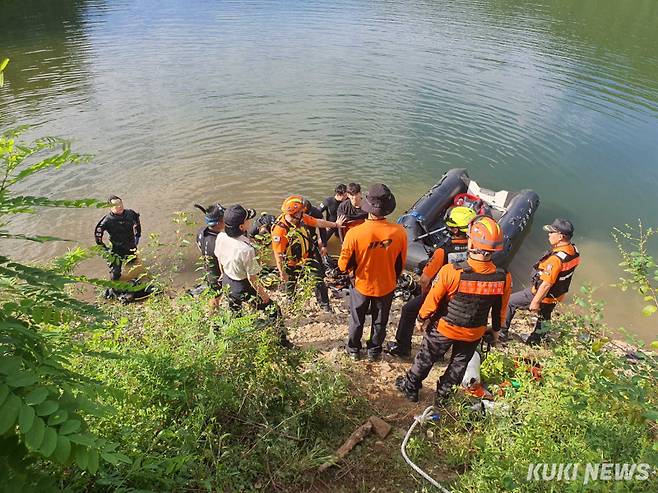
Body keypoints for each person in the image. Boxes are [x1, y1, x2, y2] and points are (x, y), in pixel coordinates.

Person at [395, 216, 512, 403]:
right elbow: (500, 308)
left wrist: (421, 318)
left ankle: (411, 387)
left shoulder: (452, 271)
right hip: (473, 333)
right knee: (459, 364)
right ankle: (443, 396)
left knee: (426, 357)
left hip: (444, 328)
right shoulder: (503, 277)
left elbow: (433, 299)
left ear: (472, 242)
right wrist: (496, 330)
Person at [385, 206, 476, 358]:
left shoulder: (442, 251)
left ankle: (403, 347)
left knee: (409, 310)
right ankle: (440, 352)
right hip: (464, 295)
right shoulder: (475, 250)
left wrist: (425, 294)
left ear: (454, 229)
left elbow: (424, 279)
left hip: (442, 293)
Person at [338, 184, 407, 361]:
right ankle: (374, 351)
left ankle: (353, 349)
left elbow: (342, 265)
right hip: (387, 285)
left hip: (361, 284)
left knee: (357, 319)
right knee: (380, 321)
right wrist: (393, 277)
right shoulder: (400, 232)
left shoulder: (354, 233)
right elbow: (401, 263)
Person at [500, 218, 580, 345]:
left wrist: (536, 302)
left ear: (560, 236)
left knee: (510, 302)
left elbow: (546, 284)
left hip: (543, 294)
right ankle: (535, 341)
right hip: (557, 295)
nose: (549, 235)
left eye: (552, 232)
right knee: (545, 315)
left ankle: (501, 333)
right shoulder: (574, 251)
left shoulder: (555, 260)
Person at [271, 195, 345, 312]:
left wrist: (335, 225)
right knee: (290, 282)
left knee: (318, 279)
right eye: (301, 212)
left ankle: (324, 304)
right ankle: (291, 300)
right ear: (294, 214)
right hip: (290, 262)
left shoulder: (301, 218)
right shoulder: (280, 231)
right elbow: (278, 254)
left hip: (307, 256)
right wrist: (282, 272)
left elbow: (318, 223)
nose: (303, 213)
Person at [94, 196, 142, 286]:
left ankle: (135, 281)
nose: (119, 206)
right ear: (110, 207)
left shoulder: (130, 213)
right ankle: (116, 288)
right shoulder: (107, 221)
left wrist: (138, 235)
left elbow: (137, 222)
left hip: (130, 246)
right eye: (116, 205)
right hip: (116, 249)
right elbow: (98, 236)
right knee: (115, 275)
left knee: (134, 265)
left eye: (120, 204)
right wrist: (104, 249)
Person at [194, 203, 225, 309]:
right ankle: (213, 315)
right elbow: (224, 262)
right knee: (217, 296)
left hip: (208, 269)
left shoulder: (201, 232)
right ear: (218, 223)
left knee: (214, 294)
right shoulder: (219, 241)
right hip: (217, 274)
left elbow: (199, 247)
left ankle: (213, 314)